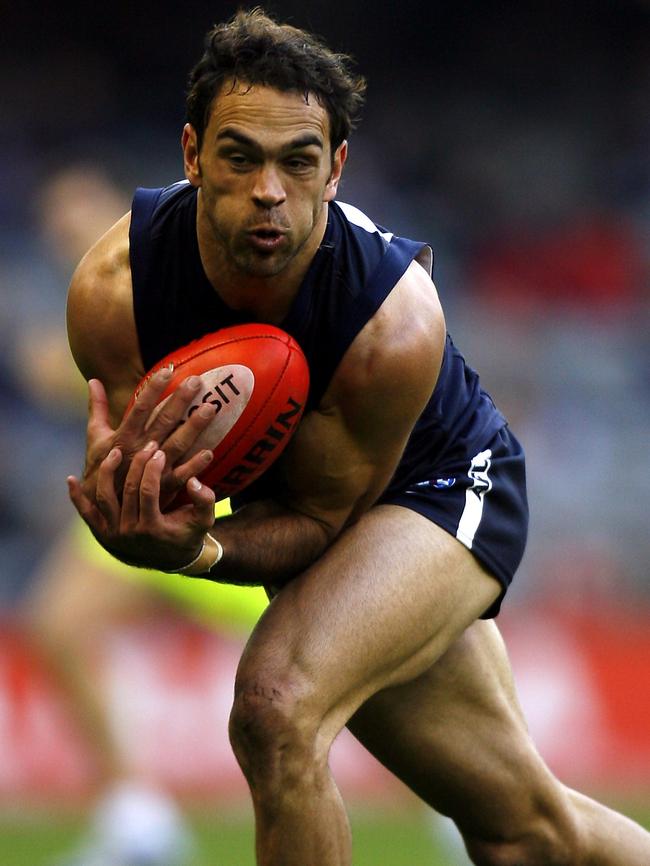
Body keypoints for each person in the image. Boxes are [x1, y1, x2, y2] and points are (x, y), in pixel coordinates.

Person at [65, 9, 650, 866]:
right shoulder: (115, 293)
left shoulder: (392, 324)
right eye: (240, 157)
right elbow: (145, 480)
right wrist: (135, 504)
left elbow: (319, 526)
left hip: (442, 487)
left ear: (335, 169)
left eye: (298, 162)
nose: (270, 190)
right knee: (523, 834)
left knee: (276, 708)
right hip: (321, 510)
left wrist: (197, 555)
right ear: (192, 156)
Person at [16, 165, 268, 866]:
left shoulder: (162, 279)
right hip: (132, 498)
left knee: (330, 664)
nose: (64, 231)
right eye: (54, 223)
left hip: (206, 504)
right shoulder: (86, 296)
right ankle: (137, 819)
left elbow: (158, 384)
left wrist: (59, 372)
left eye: (76, 213)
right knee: (58, 627)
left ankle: (452, 799)